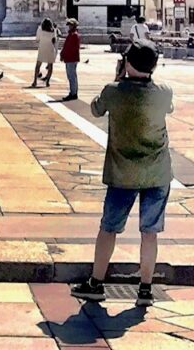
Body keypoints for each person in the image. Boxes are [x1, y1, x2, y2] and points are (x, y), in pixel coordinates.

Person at [71, 40, 174, 308]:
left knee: (109, 229)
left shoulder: (113, 91)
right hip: (157, 173)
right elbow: (168, 108)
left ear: (127, 63)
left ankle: (96, 283)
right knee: (149, 233)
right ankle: (145, 290)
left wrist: (117, 79)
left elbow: (95, 108)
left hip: (122, 173)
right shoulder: (164, 92)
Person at [32, 17, 59, 88]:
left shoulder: (40, 29)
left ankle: (35, 81)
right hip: (50, 49)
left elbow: (37, 39)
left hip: (42, 48)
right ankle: (47, 82)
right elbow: (54, 40)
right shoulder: (53, 30)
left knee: (38, 65)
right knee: (50, 66)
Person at [61, 18, 81, 101]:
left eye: (70, 25)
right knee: (71, 76)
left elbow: (70, 48)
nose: (69, 26)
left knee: (72, 76)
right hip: (70, 58)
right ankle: (73, 92)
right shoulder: (72, 34)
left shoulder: (74, 35)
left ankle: (73, 93)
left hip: (71, 58)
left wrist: (64, 54)